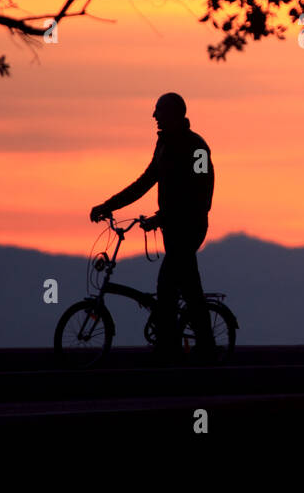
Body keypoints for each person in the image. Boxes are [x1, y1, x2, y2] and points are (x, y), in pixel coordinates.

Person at [90, 92, 217, 362]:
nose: (153, 116)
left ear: (173, 113)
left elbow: (201, 191)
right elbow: (145, 181)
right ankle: (202, 345)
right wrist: (108, 206)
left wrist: (164, 216)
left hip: (189, 227)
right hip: (172, 227)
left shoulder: (197, 148)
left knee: (168, 284)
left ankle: (172, 347)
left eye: (158, 110)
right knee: (188, 286)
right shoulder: (164, 146)